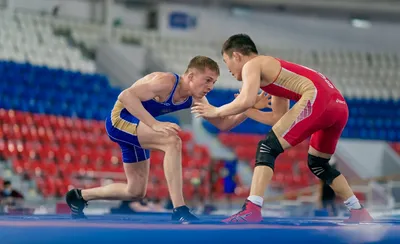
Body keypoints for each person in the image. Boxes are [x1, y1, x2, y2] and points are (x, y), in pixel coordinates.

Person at [191, 34, 373, 223]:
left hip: (319, 98)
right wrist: (251, 109)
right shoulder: (274, 73)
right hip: (339, 105)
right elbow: (277, 118)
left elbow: (245, 99)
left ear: (236, 56)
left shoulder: (252, 64)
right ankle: (358, 210)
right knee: (318, 163)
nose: (228, 69)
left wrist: (215, 110)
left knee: (267, 148)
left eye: (226, 61)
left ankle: (252, 209)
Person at [65, 56, 253, 222]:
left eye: (213, 82)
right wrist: (153, 124)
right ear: (190, 77)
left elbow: (223, 124)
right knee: (173, 141)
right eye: (207, 80)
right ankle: (179, 209)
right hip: (119, 120)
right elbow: (126, 96)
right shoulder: (166, 82)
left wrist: (249, 108)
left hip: (137, 127)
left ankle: (80, 196)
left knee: (136, 191)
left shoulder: (196, 99)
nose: (210, 87)